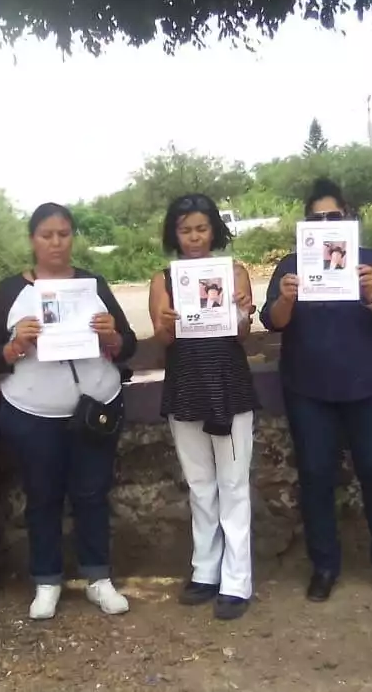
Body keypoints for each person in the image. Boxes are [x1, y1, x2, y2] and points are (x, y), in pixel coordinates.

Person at [0, 203, 138, 621]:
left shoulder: (92, 285)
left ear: (72, 237)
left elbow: (129, 344)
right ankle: (46, 580)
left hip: (94, 408)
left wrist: (113, 337)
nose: (55, 242)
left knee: (91, 493)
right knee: (42, 497)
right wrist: (14, 345)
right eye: (46, 234)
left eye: (63, 234)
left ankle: (98, 578)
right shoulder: (12, 291)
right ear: (33, 239)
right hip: (32, 414)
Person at [260, 178, 372, 603]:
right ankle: (324, 565)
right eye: (317, 217)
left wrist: (371, 292)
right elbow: (273, 322)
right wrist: (286, 298)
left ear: (347, 218)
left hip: (367, 386)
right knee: (315, 476)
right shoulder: (290, 266)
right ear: (306, 223)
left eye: (334, 216)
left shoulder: (369, 261)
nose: (326, 223)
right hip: (308, 389)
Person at [149, 194, 259, 620]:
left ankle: (237, 579)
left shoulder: (233, 272)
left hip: (228, 384)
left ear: (214, 229)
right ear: (173, 233)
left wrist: (244, 313)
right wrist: (167, 323)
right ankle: (205, 570)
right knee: (200, 485)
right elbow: (163, 339)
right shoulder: (163, 279)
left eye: (201, 228)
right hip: (186, 385)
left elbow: (243, 334)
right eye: (185, 229)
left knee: (233, 485)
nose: (194, 237)